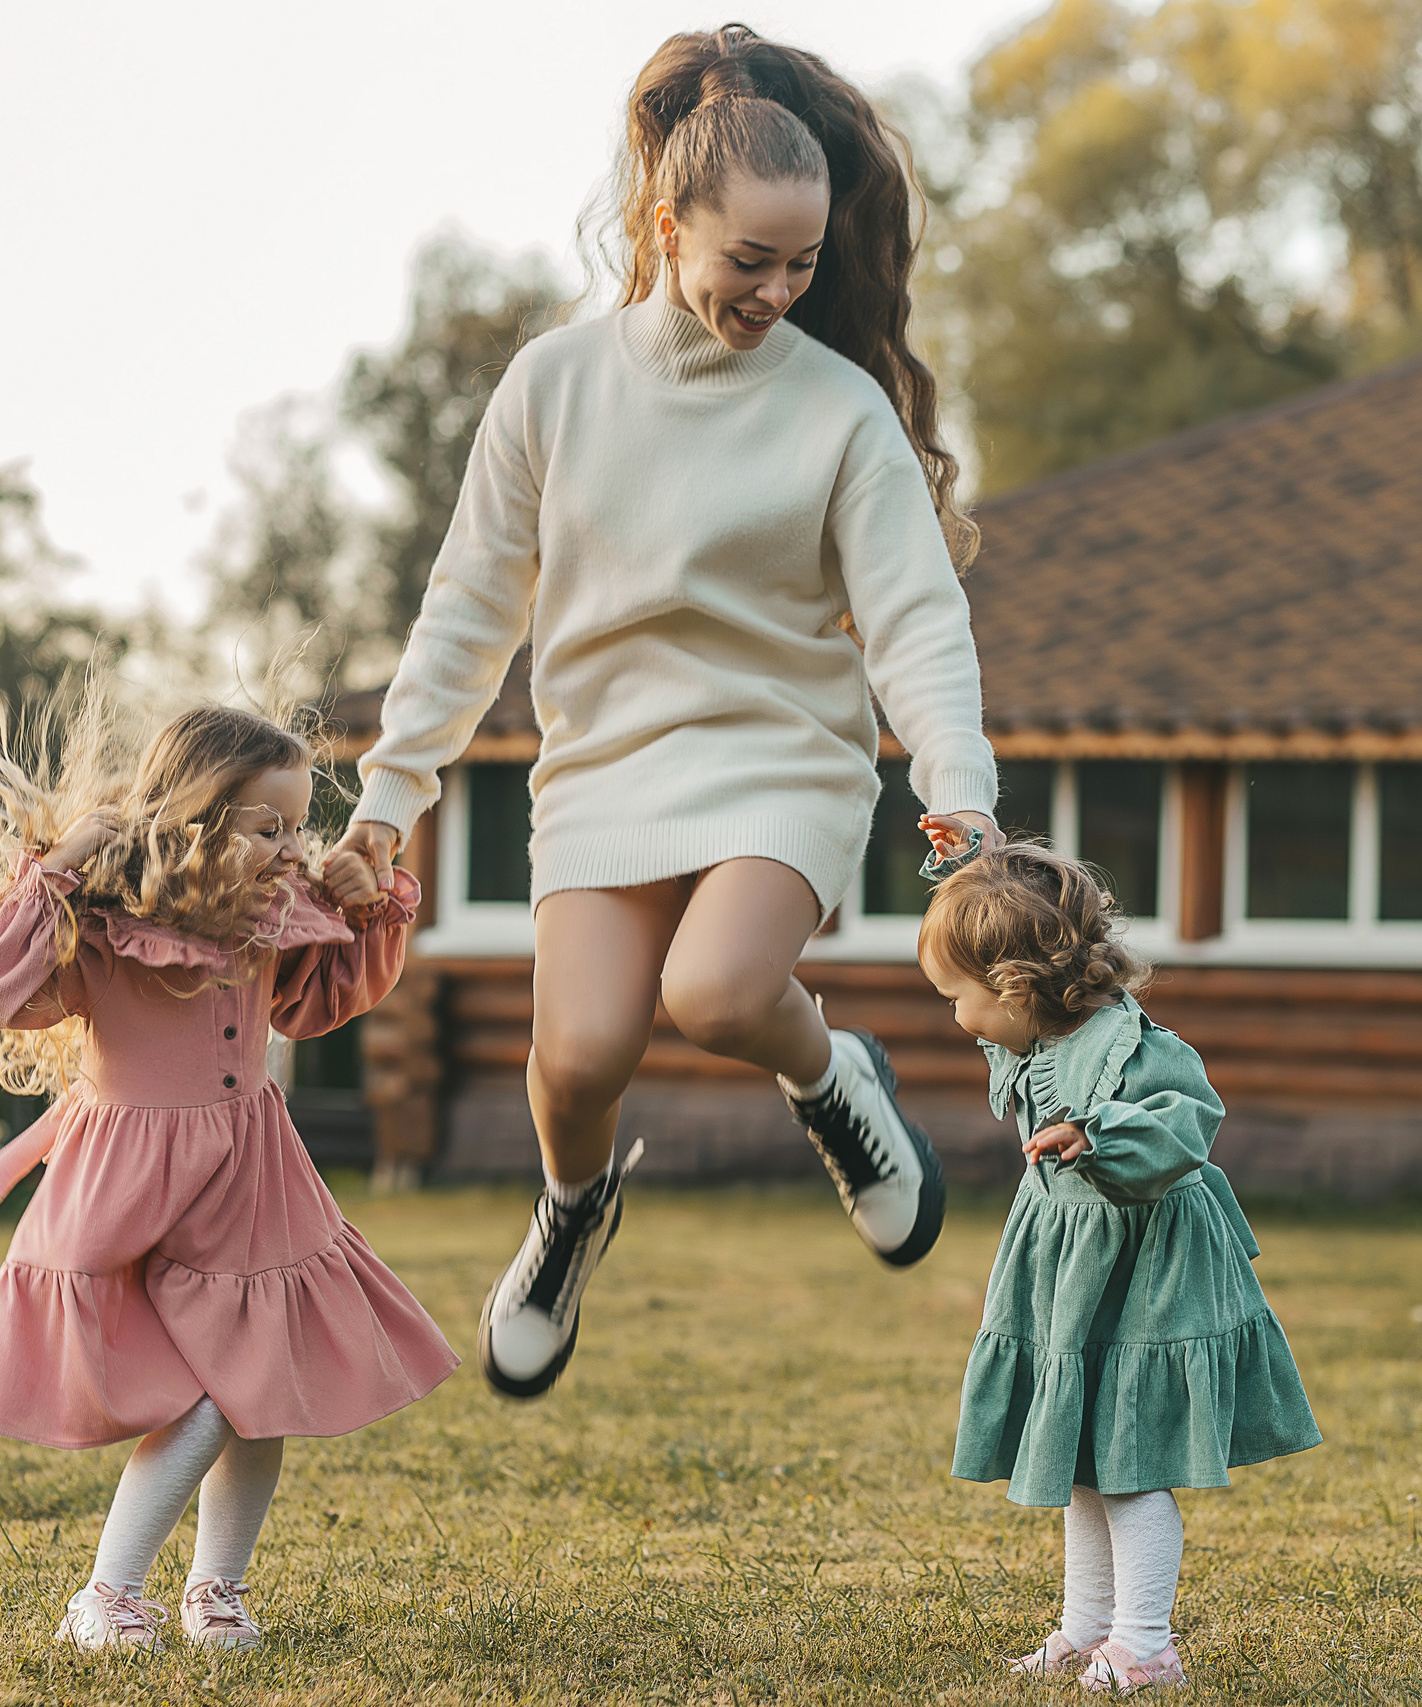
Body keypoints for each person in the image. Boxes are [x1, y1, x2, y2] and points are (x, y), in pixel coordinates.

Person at [332, 23, 1004, 1400]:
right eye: (748, 260)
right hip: (605, 769)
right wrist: (385, 800)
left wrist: (961, 783)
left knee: (715, 990)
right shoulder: (555, 385)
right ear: (665, 223)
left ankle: (837, 1084)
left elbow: (917, 617)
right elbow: (470, 608)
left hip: (783, 754)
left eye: (803, 262)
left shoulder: (838, 412)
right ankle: (574, 1211)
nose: (777, 290)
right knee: (574, 1061)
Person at [0, 699, 458, 1651]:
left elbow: (321, 1001)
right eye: (271, 827)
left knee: (263, 1385)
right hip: (131, 1181)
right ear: (203, 816)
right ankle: (107, 1593)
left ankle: (215, 1588)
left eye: (300, 826)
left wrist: (361, 901)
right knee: (213, 1393)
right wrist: (59, 865)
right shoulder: (103, 920)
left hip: (251, 1178)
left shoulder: (268, 917)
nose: (295, 848)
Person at [918, 840, 1321, 1694]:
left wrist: (1100, 1136)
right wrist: (966, 864)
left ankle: (1147, 1642)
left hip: (1148, 1270)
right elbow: (997, 924)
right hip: (1072, 1263)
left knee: (1129, 1455)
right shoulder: (1029, 1039)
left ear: (1015, 988)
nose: (954, 1016)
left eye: (957, 996)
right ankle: (1087, 1625)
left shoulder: (1132, 1047)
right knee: (1081, 1459)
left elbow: (1189, 1120)